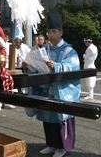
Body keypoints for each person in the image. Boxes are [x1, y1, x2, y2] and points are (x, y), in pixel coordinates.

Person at [24, 11, 80, 157]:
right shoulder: (45, 49)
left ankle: (63, 147)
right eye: (49, 32)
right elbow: (36, 67)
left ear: (61, 32)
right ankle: (51, 144)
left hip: (61, 91)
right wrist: (29, 64)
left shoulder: (69, 50)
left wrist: (55, 65)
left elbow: (72, 65)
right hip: (47, 89)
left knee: (62, 119)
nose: (51, 35)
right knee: (48, 117)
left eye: (54, 32)